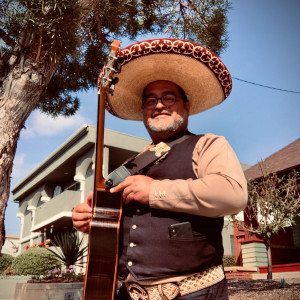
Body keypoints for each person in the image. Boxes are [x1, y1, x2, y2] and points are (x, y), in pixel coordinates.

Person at [72, 38, 248, 300]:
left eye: (169, 97)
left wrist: (155, 191)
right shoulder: (129, 166)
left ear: (186, 105)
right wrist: (92, 219)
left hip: (193, 293)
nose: (159, 105)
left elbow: (233, 195)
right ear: (144, 110)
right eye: (150, 100)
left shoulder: (208, 144)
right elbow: (112, 218)